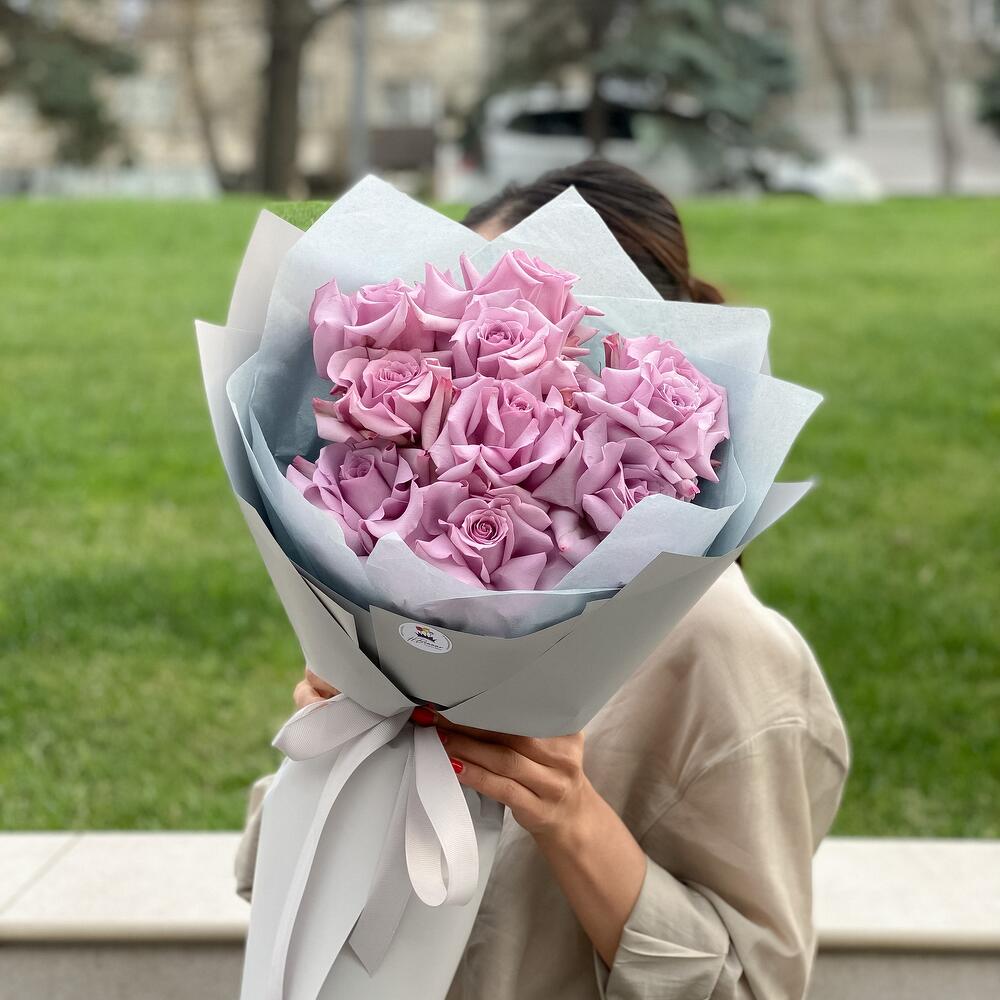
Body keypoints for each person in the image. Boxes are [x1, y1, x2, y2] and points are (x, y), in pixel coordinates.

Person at [237, 159, 849, 1000]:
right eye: (449, 329)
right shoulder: (395, 587)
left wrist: (570, 816)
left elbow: (757, 987)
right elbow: (266, 879)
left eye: (520, 330)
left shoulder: (724, 652)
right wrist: (337, 735)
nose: (467, 369)